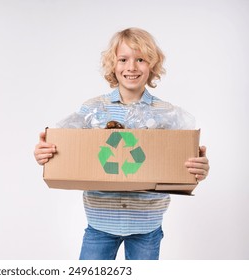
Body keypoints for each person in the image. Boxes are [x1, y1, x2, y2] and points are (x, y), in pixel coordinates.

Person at [33, 27, 210, 260]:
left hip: (146, 225)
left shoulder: (167, 114)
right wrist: (46, 153)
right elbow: (69, 149)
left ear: (152, 65)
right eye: (123, 59)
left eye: (141, 60)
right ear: (112, 65)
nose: (132, 67)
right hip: (100, 223)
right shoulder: (93, 110)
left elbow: (179, 160)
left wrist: (199, 168)